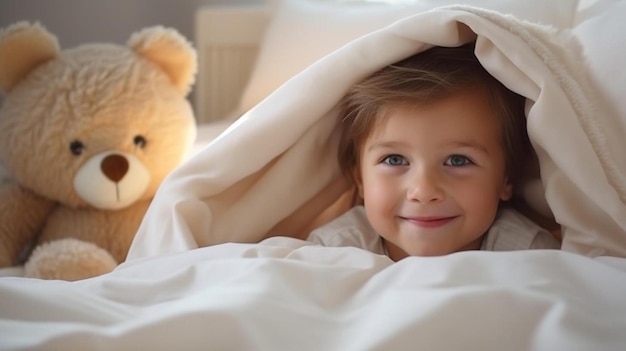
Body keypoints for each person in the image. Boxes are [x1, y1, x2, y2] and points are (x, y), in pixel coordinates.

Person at [307, 42, 561, 261]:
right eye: (394, 159)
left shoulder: (526, 254)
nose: (424, 191)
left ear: (506, 178)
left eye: (458, 160)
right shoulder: (335, 252)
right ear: (360, 179)